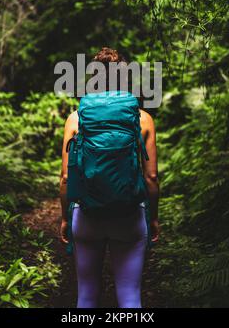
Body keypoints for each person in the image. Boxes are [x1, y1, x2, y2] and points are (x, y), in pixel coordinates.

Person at [59, 47, 160, 308]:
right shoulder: (142, 118)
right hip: (129, 216)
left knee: (87, 296)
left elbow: (65, 178)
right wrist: (154, 217)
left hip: (87, 215)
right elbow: (151, 178)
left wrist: (64, 217)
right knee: (129, 297)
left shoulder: (76, 119)